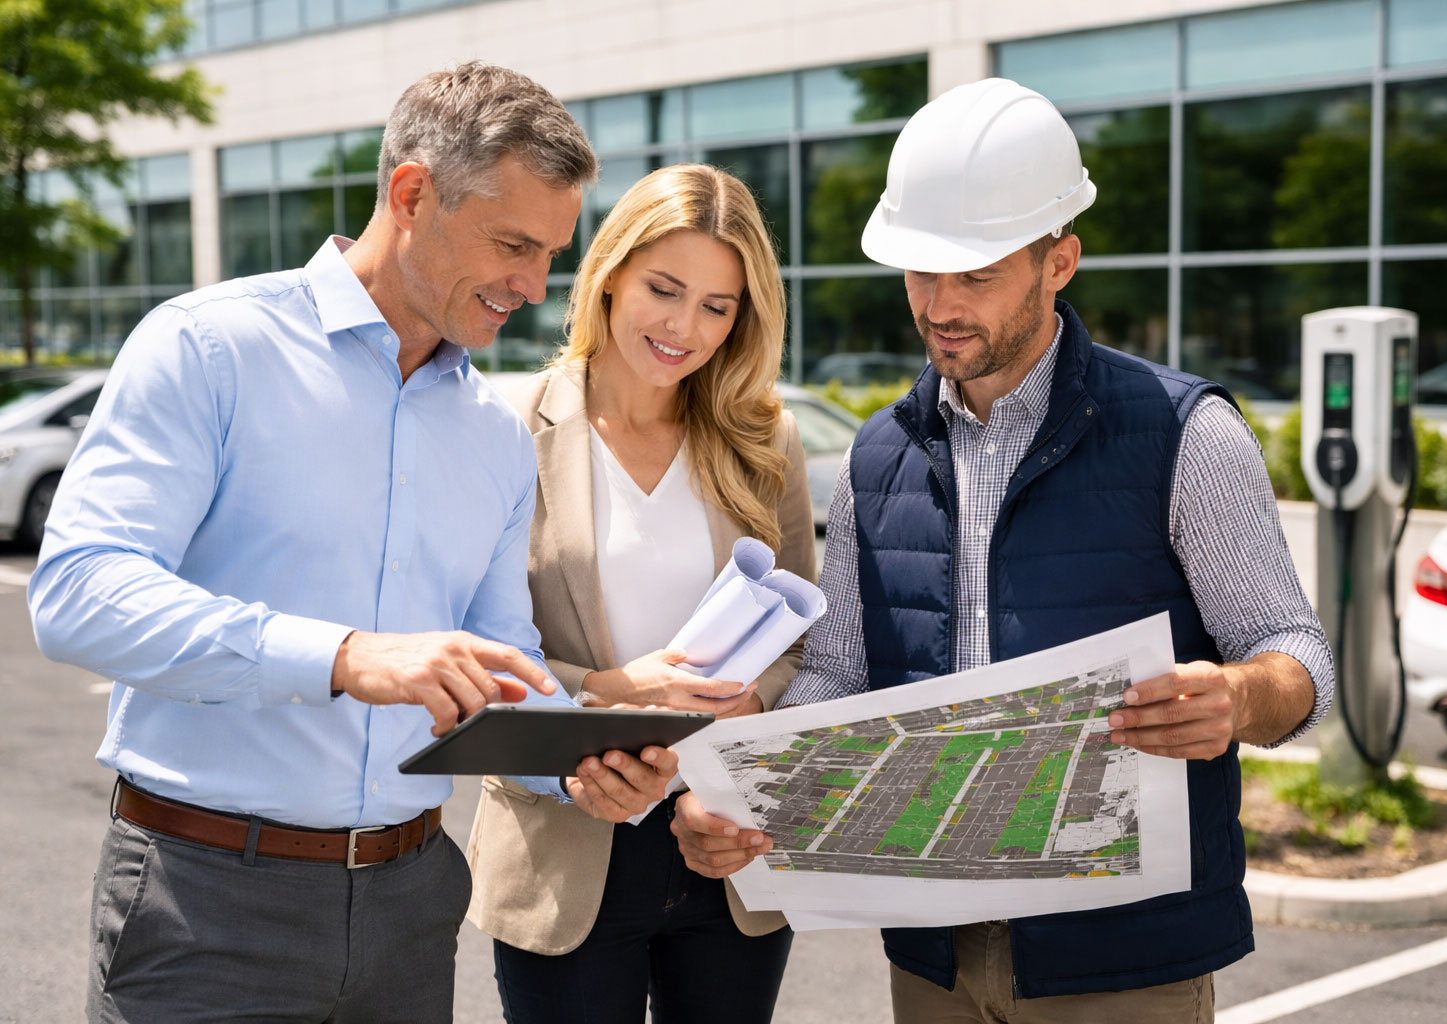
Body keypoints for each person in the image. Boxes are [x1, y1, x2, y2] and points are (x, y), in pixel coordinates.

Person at [671, 78, 1336, 1023]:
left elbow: (1299, 654)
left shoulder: (1186, 434)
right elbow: (839, 675)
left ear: (1058, 262)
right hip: (933, 957)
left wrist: (1238, 698)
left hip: (1125, 965)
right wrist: (742, 791)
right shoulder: (876, 456)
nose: (940, 306)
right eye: (920, 273)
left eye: (975, 276)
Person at [28, 62, 677, 1024]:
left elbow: (503, 662)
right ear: (411, 195)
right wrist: (343, 655)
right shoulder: (208, 349)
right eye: (512, 244)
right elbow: (78, 594)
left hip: (410, 908)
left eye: (549, 255)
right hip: (205, 904)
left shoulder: (495, 436)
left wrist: (582, 765)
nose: (533, 286)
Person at [466, 163, 814, 1024]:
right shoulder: (505, 429)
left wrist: (744, 706)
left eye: (717, 306)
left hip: (725, 842)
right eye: (664, 289)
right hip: (563, 846)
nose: (683, 328)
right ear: (611, 272)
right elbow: (471, 647)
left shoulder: (766, 439)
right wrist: (616, 690)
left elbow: (804, 640)